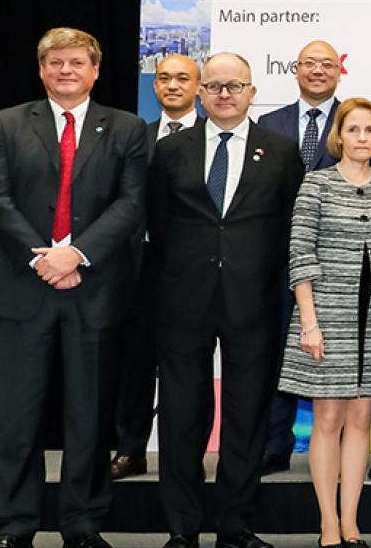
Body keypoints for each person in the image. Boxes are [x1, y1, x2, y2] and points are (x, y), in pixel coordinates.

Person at [0, 28, 148, 548]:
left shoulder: (127, 127)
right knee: (17, 420)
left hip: (93, 289)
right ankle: (14, 526)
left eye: (77, 62)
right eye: (55, 62)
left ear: (96, 70)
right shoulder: (6, 123)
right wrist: (44, 258)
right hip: (21, 289)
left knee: (88, 418)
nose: (66, 70)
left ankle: (82, 524)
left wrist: (76, 254)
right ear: (42, 69)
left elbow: (130, 202)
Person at [148, 53, 304, 548]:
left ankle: (235, 524)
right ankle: (182, 526)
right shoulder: (173, 150)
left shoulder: (280, 151)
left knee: (247, 412)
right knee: (181, 412)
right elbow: (156, 221)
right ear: (201, 93)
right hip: (182, 300)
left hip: (254, 300)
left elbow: (289, 228)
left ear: (253, 92)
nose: (224, 94)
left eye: (234, 86)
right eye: (214, 86)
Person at [276, 96, 371, 548]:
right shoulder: (315, 184)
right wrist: (309, 324)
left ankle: (351, 522)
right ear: (339, 135)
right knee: (328, 418)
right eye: (354, 129)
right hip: (326, 316)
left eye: (370, 131)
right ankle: (328, 524)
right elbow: (300, 255)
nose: (362, 138)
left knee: (360, 418)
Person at [257, 39, 345, 475]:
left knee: (341, 356)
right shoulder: (268, 124)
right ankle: (275, 442)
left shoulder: (356, 121)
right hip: (277, 258)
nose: (317, 71)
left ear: (339, 71)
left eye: (326, 64)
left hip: (338, 261)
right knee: (278, 352)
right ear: (296, 69)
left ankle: (342, 446)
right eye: (309, 63)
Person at [112, 53, 202, 481]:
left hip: (200, 268)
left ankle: (187, 456)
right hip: (143, 266)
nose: (172, 85)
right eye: (164, 78)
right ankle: (131, 449)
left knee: (192, 368)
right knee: (135, 359)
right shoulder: (135, 137)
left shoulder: (215, 139)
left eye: (183, 78)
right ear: (154, 86)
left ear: (199, 86)